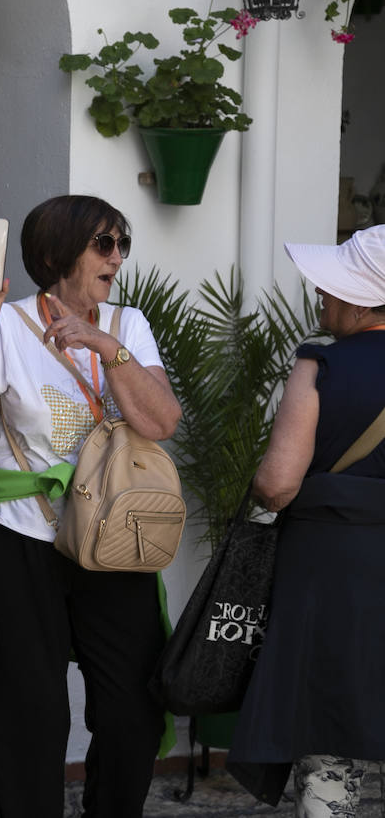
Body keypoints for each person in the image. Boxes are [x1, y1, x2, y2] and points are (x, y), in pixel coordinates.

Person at [0, 194, 182, 818]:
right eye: (104, 244)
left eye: (122, 244)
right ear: (58, 254)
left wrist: (105, 345)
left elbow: (162, 421)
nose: (117, 258)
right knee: (31, 716)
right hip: (22, 539)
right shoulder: (9, 324)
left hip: (112, 540)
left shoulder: (128, 325)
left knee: (132, 712)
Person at [228, 225, 385, 817]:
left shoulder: (317, 364)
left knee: (326, 725)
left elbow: (277, 483)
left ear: (361, 299)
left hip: (331, 573)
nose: (321, 298)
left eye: (330, 289)